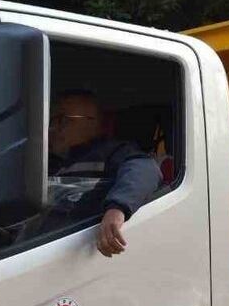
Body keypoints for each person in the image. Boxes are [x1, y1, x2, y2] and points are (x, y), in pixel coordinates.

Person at [47, 90, 162, 257]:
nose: (53, 128)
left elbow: (144, 169)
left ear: (93, 124)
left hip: (74, 250)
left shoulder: (112, 152)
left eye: (63, 120)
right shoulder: (50, 162)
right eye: (52, 121)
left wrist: (116, 209)